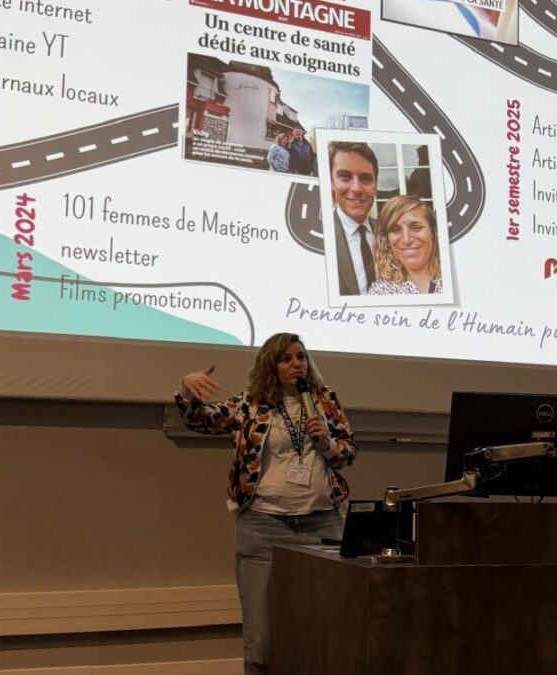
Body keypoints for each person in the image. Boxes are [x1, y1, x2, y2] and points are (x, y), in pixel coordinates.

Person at [175, 333, 358, 675]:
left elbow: (349, 451)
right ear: (270, 366)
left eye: (301, 357)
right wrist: (187, 389)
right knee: (261, 644)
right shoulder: (251, 404)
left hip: (323, 527)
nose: (297, 364)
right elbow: (202, 419)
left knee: (321, 634)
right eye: (286, 359)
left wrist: (327, 444)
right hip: (264, 529)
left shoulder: (323, 400)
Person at [368, 195, 444, 295]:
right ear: (387, 240)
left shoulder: (456, 280)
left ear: (433, 233)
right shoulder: (379, 293)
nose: (406, 240)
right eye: (395, 230)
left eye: (416, 227)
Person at [329, 141, 379, 295]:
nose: (356, 188)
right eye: (345, 177)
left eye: (365, 178)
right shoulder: (318, 236)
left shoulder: (389, 234)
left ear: (375, 185)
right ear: (331, 183)